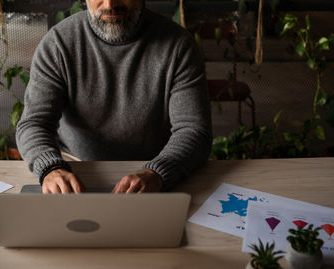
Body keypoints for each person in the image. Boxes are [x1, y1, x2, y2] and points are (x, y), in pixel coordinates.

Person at [15, 0, 211, 194]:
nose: (109, 4)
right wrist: (50, 168)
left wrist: (158, 172)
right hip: (74, 172)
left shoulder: (179, 46)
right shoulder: (58, 43)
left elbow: (193, 129)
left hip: (153, 176)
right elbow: (33, 123)